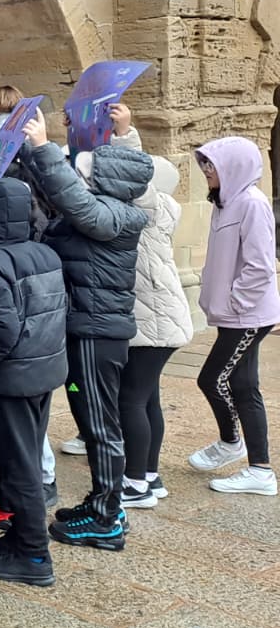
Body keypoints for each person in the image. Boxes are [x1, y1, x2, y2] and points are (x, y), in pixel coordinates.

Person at [19, 108, 152, 550]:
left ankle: (106, 517)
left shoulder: (114, 217)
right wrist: (30, 151)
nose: (81, 176)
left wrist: (44, 147)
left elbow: (76, 201)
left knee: (100, 425)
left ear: (109, 181)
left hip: (98, 335)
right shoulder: (100, 210)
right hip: (86, 329)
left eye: (88, 172)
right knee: (90, 417)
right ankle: (100, 501)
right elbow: (61, 194)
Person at [0, 178, 68, 587]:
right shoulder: (43, 251)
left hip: (7, 381)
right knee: (20, 462)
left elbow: (1, 331)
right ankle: (19, 537)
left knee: (17, 468)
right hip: (40, 373)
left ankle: (34, 555)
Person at [105, 124, 195, 506]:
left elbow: (133, 171)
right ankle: (151, 476)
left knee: (130, 400)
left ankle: (136, 483)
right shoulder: (159, 211)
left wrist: (124, 134)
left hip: (154, 322)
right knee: (147, 399)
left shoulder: (152, 208)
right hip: (160, 319)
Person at [189, 135, 280, 495]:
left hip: (247, 316)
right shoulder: (225, 202)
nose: (206, 171)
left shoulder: (252, 204)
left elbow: (260, 266)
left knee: (211, 379)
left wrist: (235, 303)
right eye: (204, 164)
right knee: (243, 385)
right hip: (234, 314)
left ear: (232, 167)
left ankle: (232, 443)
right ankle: (260, 470)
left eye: (210, 165)